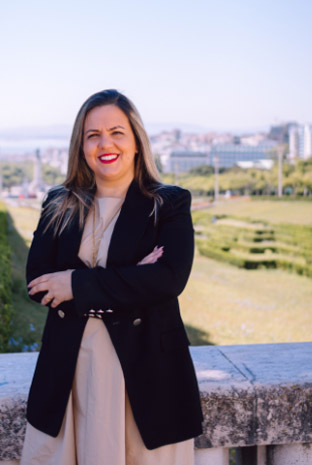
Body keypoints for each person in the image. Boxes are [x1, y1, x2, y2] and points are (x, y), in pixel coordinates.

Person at [20, 89, 202, 464]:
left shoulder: (168, 204)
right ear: (81, 145)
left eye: (117, 132)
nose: (106, 143)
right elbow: (38, 282)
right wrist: (133, 277)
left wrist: (75, 284)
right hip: (70, 373)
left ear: (136, 141)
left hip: (146, 375)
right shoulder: (59, 203)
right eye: (93, 135)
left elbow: (168, 280)